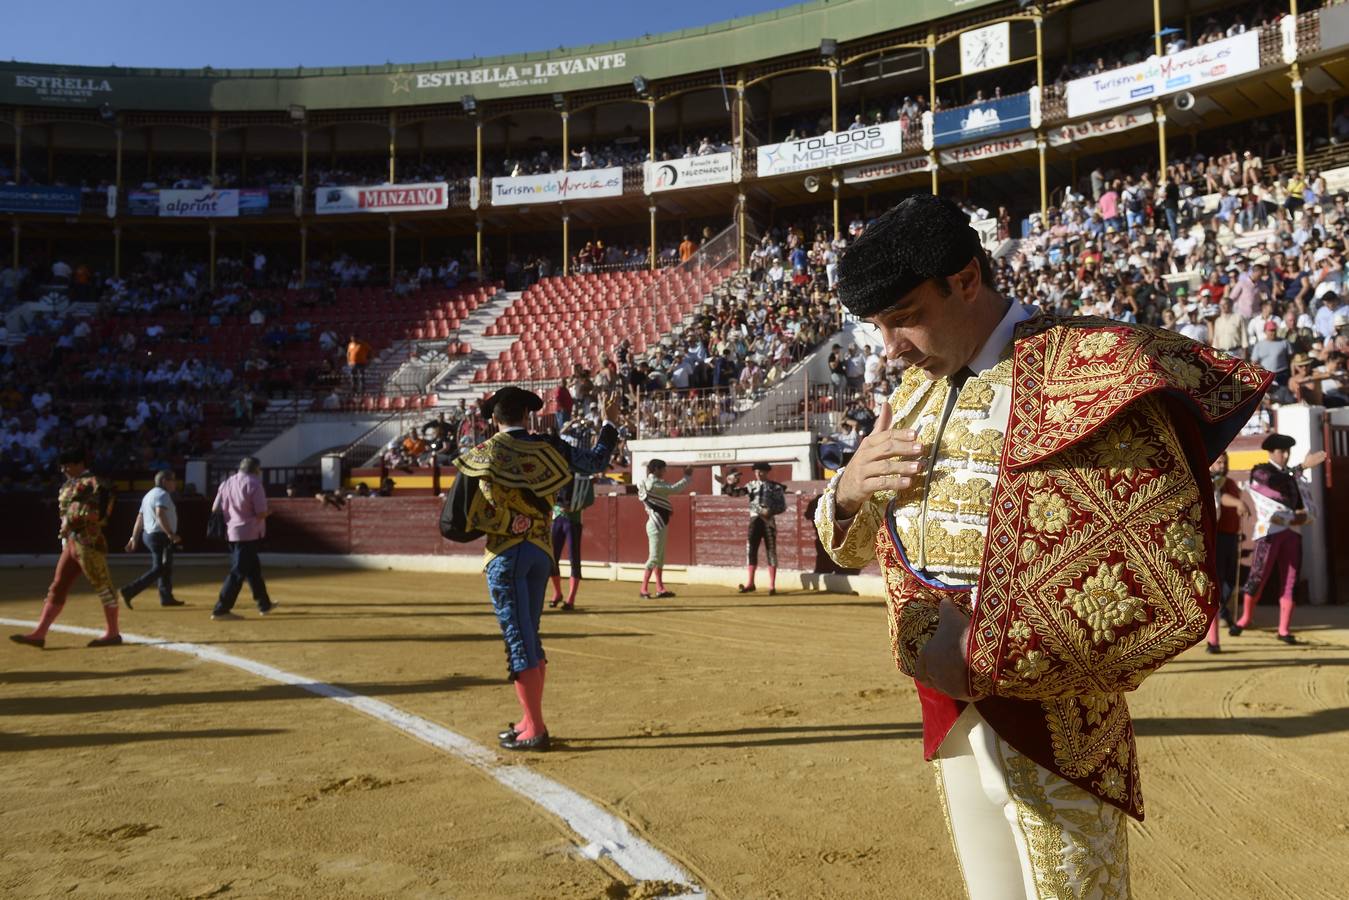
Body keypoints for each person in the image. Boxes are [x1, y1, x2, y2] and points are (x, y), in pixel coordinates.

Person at [813, 194, 1269, 898]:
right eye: (877, 326)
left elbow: (1160, 571)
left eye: (903, 318)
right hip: (948, 710)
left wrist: (984, 651)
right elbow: (850, 550)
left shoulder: (1097, 370)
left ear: (964, 280)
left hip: (1058, 714)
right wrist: (844, 493)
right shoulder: (911, 394)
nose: (889, 348)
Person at [453, 386, 619, 752]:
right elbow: (594, 463)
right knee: (530, 634)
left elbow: (460, 517)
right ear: (527, 415)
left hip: (506, 553)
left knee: (519, 639)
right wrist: (610, 422)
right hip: (541, 552)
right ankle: (529, 719)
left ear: (495, 418)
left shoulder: (483, 453)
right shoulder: (550, 447)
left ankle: (536, 729)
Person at [10, 448, 123, 649]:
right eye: (62, 466)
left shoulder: (96, 484)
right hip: (71, 542)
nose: (63, 469)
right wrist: (66, 528)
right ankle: (40, 633)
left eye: (67, 465)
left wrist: (75, 520)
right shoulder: (66, 487)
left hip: (89, 541)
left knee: (103, 585)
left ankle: (113, 633)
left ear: (80, 464)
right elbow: (64, 513)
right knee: (57, 587)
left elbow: (102, 513)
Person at [1229, 434, 1326, 645]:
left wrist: (1303, 514)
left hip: (1292, 532)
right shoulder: (1261, 471)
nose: (1286, 455)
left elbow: (1301, 503)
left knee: (1290, 580)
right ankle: (1245, 618)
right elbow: (1274, 481)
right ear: (1271, 452)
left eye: (1288, 451)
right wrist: (1301, 467)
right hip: (1268, 533)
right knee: (1258, 577)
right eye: (1282, 451)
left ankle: (1283, 629)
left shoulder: (1292, 476)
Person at [210, 456, 275, 620]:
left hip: (232, 532)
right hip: (248, 533)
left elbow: (215, 508)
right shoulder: (254, 483)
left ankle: (264, 604)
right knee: (238, 572)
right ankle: (221, 609)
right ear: (256, 469)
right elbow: (260, 513)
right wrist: (269, 511)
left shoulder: (227, 483)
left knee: (253, 570)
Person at [718, 462, 788, 595]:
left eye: (760, 471)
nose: (758, 474)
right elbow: (734, 493)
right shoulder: (750, 486)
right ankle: (750, 583)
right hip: (754, 520)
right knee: (751, 550)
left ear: (766, 472)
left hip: (769, 521)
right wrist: (729, 484)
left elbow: (782, 506)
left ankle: (772, 586)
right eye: (756, 472)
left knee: (771, 551)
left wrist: (771, 511)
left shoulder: (775, 487)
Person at [119, 469, 185, 609]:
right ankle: (129, 591)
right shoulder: (163, 495)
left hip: (148, 535)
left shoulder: (148, 495)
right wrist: (170, 534)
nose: (175, 483)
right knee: (160, 568)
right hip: (160, 536)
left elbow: (140, 518)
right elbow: (160, 515)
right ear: (164, 481)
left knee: (165, 567)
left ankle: (166, 597)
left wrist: (134, 538)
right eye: (172, 480)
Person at [1205, 453, 1246, 652]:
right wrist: (1238, 503)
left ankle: (1224, 614)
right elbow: (1221, 497)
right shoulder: (1208, 480)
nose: (1222, 465)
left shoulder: (1229, 482)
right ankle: (1213, 640)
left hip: (1230, 536)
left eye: (1225, 462)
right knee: (1217, 583)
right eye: (1219, 461)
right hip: (1216, 537)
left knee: (1229, 580)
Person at [637, 458, 693, 599]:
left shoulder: (646, 483)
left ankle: (660, 588)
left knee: (660, 557)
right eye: (663, 469)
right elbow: (674, 489)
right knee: (654, 557)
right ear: (656, 470)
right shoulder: (654, 483)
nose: (665, 471)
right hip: (657, 523)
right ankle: (643, 589)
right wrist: (687, 476)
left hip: (658, 522)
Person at [548, 471, 596, 611]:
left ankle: (571, 598)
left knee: (574, 558)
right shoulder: (559, 473)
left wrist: (574, 506)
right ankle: (557, 593)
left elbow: (589, 500)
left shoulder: (580, 476)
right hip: (557, 519)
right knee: (552, 558)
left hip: (573, 520)